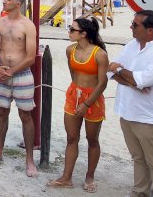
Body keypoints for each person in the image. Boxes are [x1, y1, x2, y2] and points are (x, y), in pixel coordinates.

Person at [108, 10, 153, 197]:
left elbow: (142, 79)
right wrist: (132, 82)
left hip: (150, 117)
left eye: (135, 25)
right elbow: (111, 71)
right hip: (127, 112)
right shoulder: (132, 45)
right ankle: (140, 193)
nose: (131, 27)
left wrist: (122, 71)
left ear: (150, 30)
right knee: (138, 159)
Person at [48, 17, 109, 192]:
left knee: (92, 139)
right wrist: (77, 97)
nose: (69, 31)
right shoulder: (70, 50)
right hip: (74, 95)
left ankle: (90, 176)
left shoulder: (99, 54)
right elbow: (73, 75)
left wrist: (87, 103)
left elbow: (102, 83)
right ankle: (66, 177)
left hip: (94, 99)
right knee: (72, 138)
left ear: (84, 33)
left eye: (72, 29)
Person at [0, 0, 38, 177]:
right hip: (2, 72)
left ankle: (29, 159)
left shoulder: (28, 25)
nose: (3, 2)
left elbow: (31, 56)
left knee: (25, 115)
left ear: (18, 3)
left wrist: (12, 71)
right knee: (2, 111)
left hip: (21, 74)